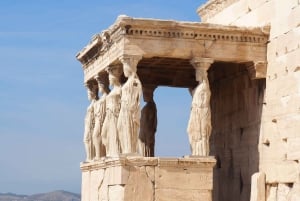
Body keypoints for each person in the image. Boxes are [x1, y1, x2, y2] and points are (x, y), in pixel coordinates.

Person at [117, 63, 142, 154]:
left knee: (127, 127)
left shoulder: (135, 81)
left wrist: (132, 108)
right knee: (120, 127)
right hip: (124, 107)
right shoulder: (129, 81)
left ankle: (130, 150)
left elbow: (137, 95)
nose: (124, 72)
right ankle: (126, 150)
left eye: (125, 69)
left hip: (129, 108)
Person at [187, 78, 211, 156]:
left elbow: (205, 101)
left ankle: (203, 155)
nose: (197, 75)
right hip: (195, 112)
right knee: (189, 130)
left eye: (198, 73)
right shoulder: (199, 87)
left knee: (203, 134)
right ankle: (196, 153)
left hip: (202, 112)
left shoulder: (204, 86)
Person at [101, 66, 122, 157]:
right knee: (104, 134)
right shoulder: (113, 91)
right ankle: (110, 152)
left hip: (115, 114)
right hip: (109, 114)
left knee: (114, 134)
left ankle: (115, 152)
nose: (109, 80)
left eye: (110, 78)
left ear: (114, 78)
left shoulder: (120, 90)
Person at [92, 76, 110, 160]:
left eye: (100, 86)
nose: (99, 89)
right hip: (99, 119)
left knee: (100, 135)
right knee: (96, 135)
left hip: (103, 119)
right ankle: (99, 155)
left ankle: (107, 153)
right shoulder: (102, 98)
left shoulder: (107, 96)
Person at [83, 84, 97, 161]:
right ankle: (89, 157)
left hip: (91, 125)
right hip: (87, 124)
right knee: (86, 140)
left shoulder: (95, 103)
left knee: (88, 139)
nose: (88, 95)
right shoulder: (92, 104)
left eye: (89, 93)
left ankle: (90, 157)